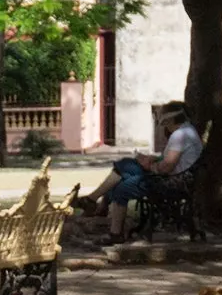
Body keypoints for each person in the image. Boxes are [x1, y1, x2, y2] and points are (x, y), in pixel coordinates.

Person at [75, 100, 204, 241]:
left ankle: (98, 208)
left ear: (172, 120)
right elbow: (170, 161)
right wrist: (152, 159)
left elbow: (167, 167)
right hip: (176, 180)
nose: (164, 126)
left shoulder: (180, 135)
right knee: (124, 167)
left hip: (170, 183)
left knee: (122, 181)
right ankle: (98, 208)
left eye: (165, 122)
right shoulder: (187, 131)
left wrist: (148, 165)